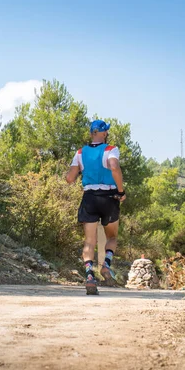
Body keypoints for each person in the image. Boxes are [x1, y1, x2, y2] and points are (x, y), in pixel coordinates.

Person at [65, 120, 126, 295]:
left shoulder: (80, 152)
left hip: (89, 197)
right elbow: (114, 167)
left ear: (91, 133)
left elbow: (70, 178)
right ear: (104, 133)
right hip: (109, 196)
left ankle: (89, 275)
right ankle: (106, 266)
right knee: (112, 237)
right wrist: (121, 192)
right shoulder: (110, 149)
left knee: (89, 241)